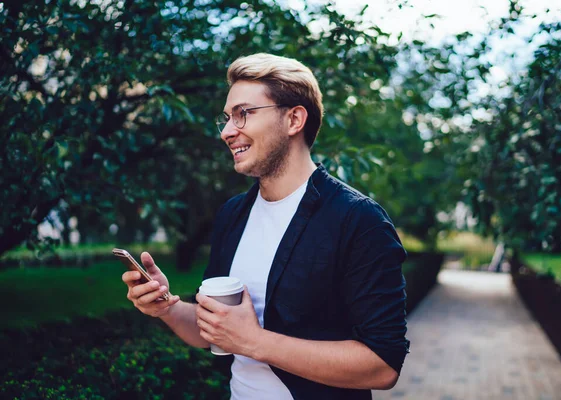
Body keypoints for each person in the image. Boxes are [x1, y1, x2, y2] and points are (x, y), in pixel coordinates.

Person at [122, 53, 409, 399]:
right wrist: (165, 305)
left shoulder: (358, 220)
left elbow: (383, 365)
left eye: (243, 114)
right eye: (226, 118)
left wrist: (255, 342)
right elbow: (212, 331)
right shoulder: (232, 214)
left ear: (294, 120)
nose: (228, 131)